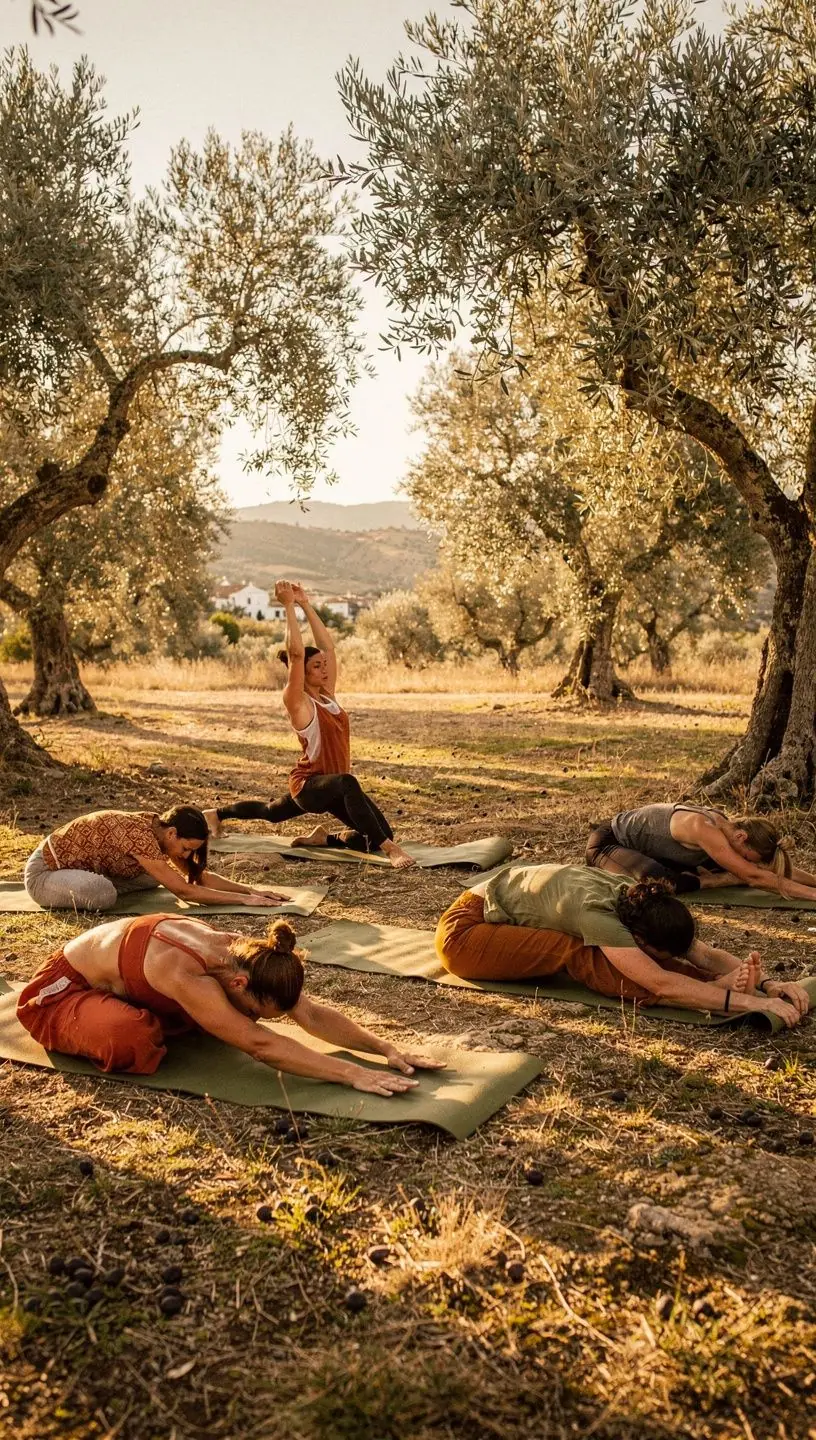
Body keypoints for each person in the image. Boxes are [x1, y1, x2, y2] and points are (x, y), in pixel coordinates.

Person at [16, 913, 446, 1093]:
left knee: (209, 1021)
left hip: (130, 987)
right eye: (256, 1013)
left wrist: (384, 1048)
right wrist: (352, 1074)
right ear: (240, 984)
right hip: (59, 993)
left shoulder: (253, 959)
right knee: (131, 1036)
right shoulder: (187, 972)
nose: (257, 1021)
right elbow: (259, 1045)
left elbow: (310, 1013)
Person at [435, 863, 809, 1026]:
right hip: (464, 935)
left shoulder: (638, 900)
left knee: (621, 956)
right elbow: (659, 981)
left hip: (494, 914)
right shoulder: (598, 916)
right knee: (578, 950)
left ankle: (708, 986)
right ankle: (706, 989)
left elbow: (703, 953)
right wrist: (748, 1002)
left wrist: (771, 985)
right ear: (637, 939)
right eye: (652, 952)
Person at [206, 581, 415, 869]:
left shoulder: (328, 695)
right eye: (316, 666)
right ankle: (391, 850)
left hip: (332, 786)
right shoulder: (299, 702)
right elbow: (295, 655)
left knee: (273, 812)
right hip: (309, 786)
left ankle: (221, 815)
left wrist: (305, 603)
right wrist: (288, 607)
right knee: (349, 785)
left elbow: (327, 647)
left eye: (324, 665)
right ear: (301, 673)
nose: (325, 669)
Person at [24, 806, 285, 912]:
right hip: (44, 874)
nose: (185, 856)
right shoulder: (140, 836)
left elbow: (197, 878)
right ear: (172, 833)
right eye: (185, 849)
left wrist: (250, 890)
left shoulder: (158, 828)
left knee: (154, 876)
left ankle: (96, 882)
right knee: (103, 894)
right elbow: (186, 891)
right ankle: (97, 885)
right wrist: (243, 901)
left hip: (86, 869)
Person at [585, 802, 816, 900]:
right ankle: (712, 881)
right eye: (746, 857)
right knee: (661, 884)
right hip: (607, 845)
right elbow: (754, 876)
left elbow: (767, 869)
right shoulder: (705, 829)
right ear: (741, 837)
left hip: (652, 852)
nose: (746, 862)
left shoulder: (728, 829)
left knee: (726, 870)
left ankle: (712, 879)